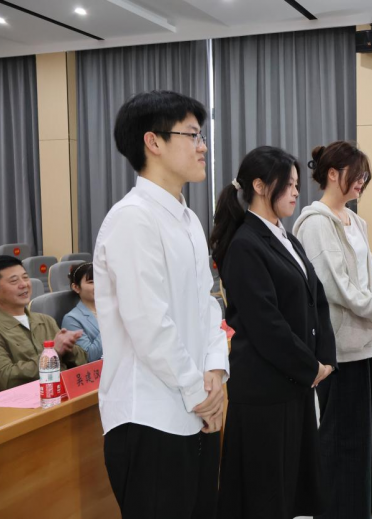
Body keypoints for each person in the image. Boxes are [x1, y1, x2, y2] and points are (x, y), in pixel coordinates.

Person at [93, 90, 229, 518]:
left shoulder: (188, 218)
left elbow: (208, 304)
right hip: (149, 418)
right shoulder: (132, 218)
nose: (202, 146)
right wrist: (200, 392)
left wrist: (216, 371)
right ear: (153, 142)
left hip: (195, 408)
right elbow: (149, 324)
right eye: (192, 135)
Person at [210, 146, 337, 519]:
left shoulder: (285, 237)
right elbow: (266, 324)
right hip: (264, 390)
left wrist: (325, 359)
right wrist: (310, 367)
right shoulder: (245, 244)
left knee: (288, 489)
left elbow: (316, 298)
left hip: (292, 383)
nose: (297, 192)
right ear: (260, 185)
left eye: (297, 184)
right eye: (289, 184)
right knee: (265, 495)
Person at [293, 141, 372, 519]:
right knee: (342, 435)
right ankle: (336, 509)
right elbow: (335, 285)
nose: (362, 182)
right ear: (332, 174)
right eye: (357, 175)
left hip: (366, 341)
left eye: (365, 176)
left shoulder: (357, 221)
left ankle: (361, 504)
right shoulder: (315, 222)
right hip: (338, 346)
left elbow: (368, 275)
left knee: (368, 431)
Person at [0, 255, 85, 393]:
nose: (24, 284)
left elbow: (82, 362)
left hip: (62, 395)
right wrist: (53, 353)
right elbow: (5, 378)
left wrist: (69, 348)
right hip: (22, 403)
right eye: (14, 281)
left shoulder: (45, 320)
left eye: (25, 277)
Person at [62, 262, 102, 362]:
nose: (98, 285)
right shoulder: (72, 319)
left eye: (100, 280)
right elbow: (88, 356)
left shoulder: (111, 309)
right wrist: (110, 325)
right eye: (91, 282)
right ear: (76, 287)